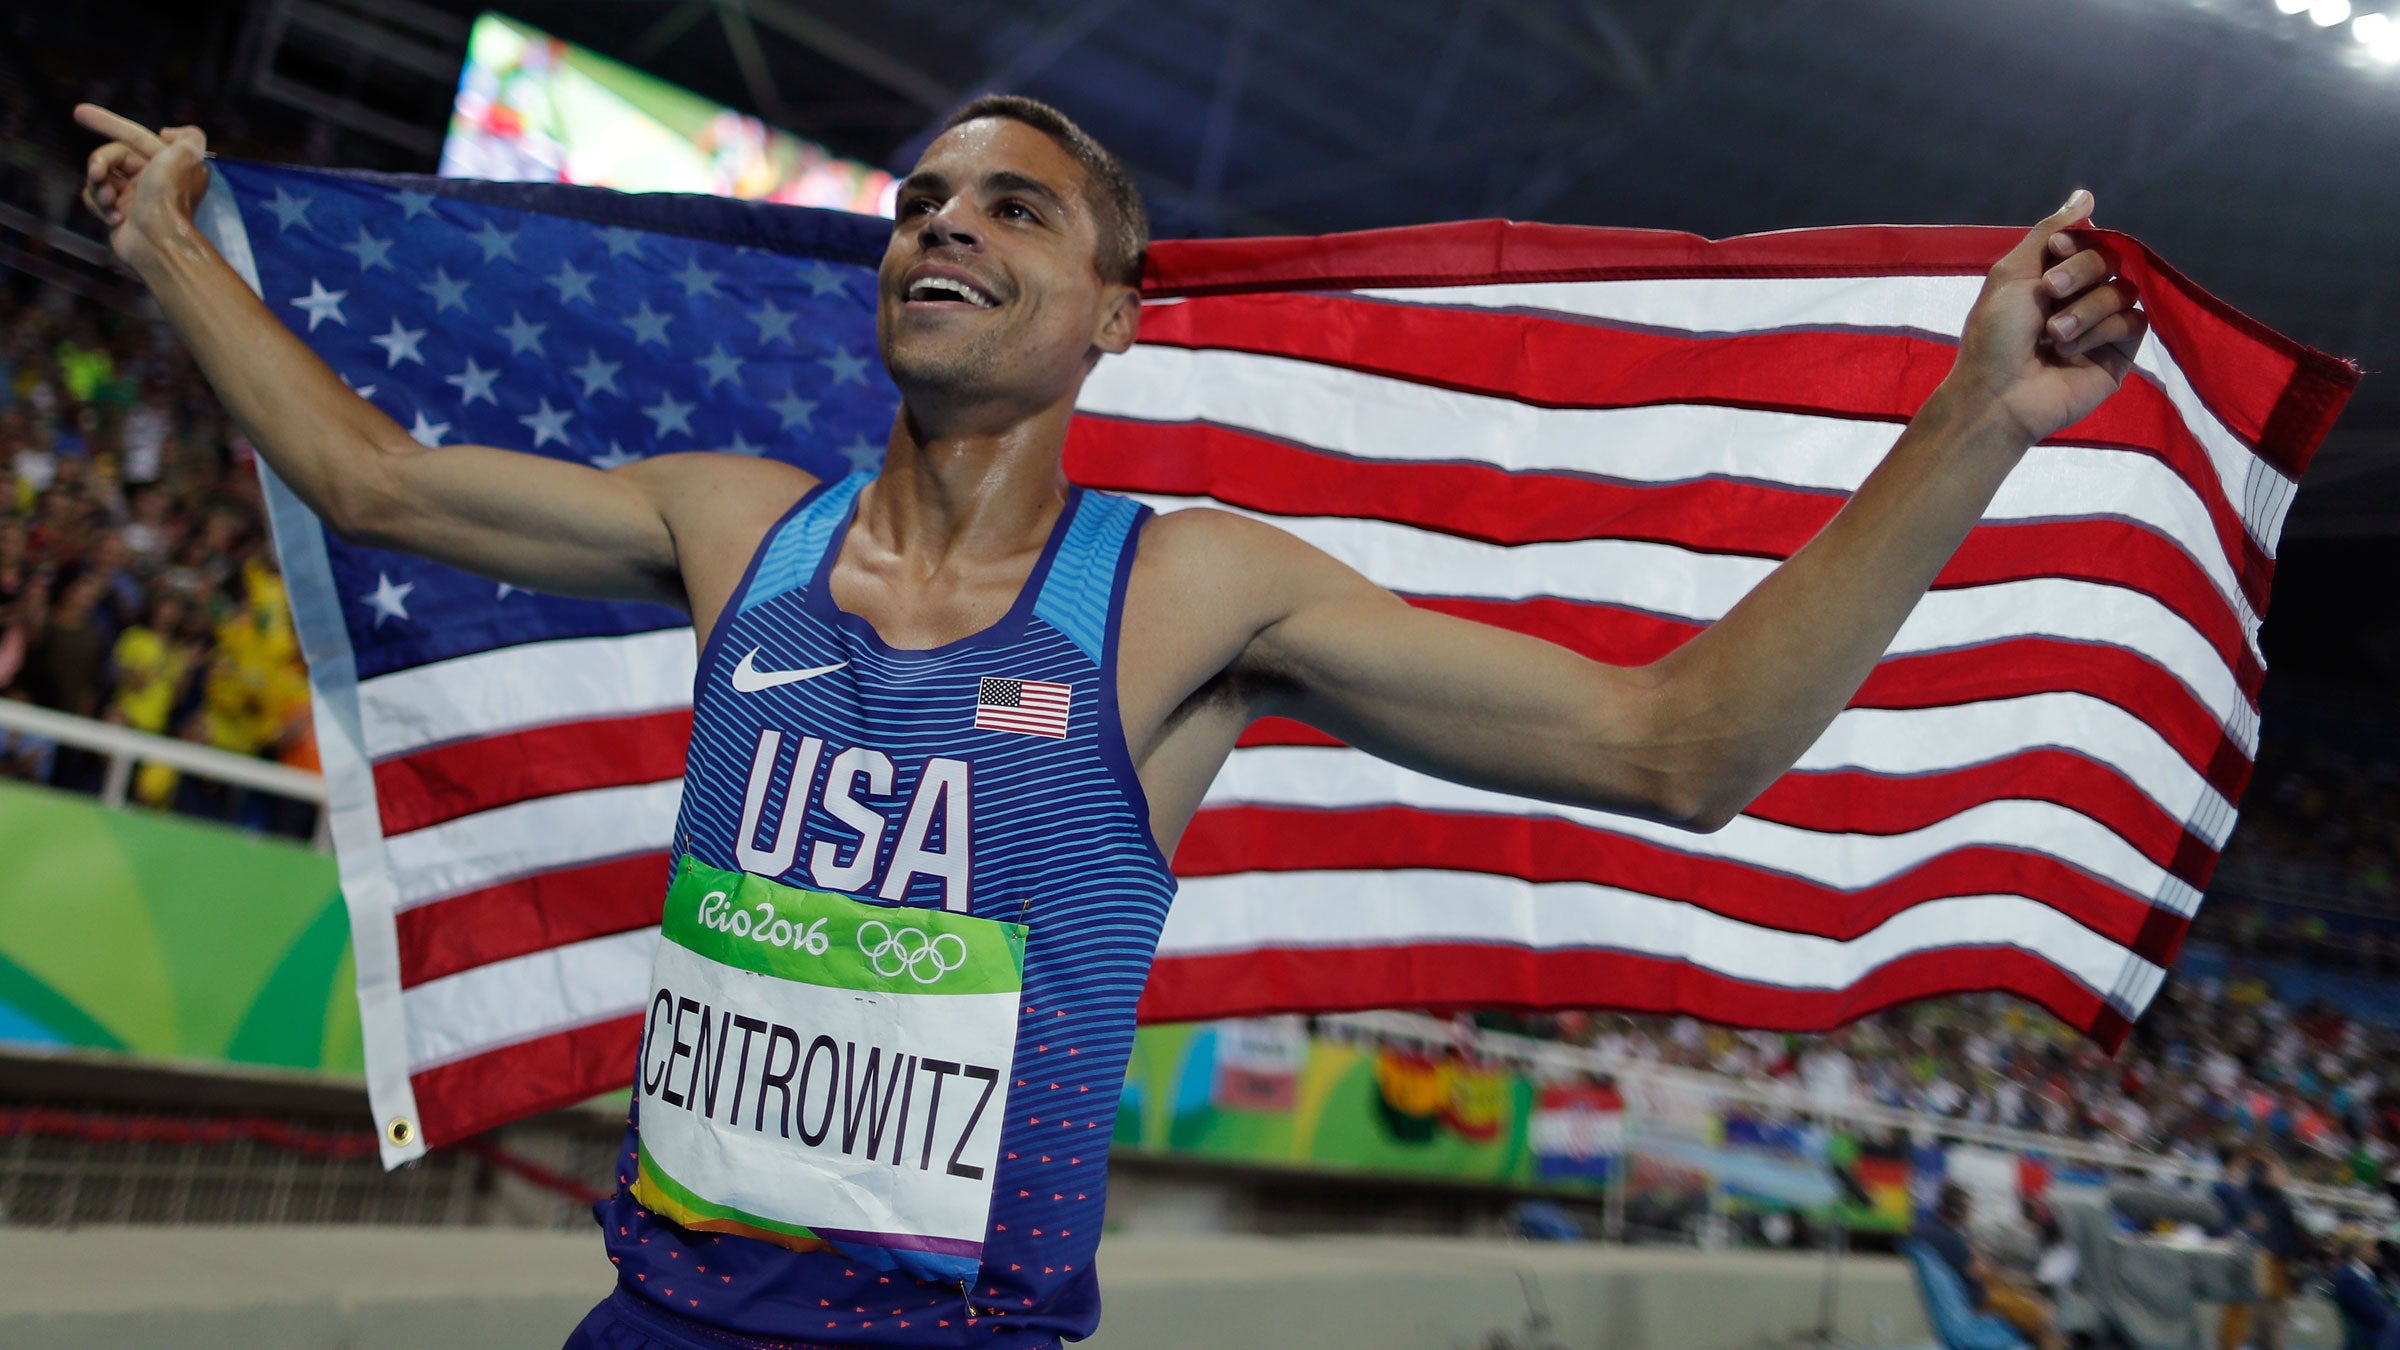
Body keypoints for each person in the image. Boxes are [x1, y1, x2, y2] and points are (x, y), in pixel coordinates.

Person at [75, 92, 2148, 1350]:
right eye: (921, 200)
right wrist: (167, 241)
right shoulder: (734, 528)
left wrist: (1979, 416)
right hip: (658, 1322)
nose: (942, 224)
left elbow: (1676, 746)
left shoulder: (1182, 597)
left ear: (1117, 315)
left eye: (1013, 208)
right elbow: (371, 481)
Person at [1916, 1182, 2065, 1350]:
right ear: (1959, 1209)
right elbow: (1983, 1273)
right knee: (2046, 1316)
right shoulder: (1949, 1239)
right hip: (1975, 1300)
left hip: (1960, 1298)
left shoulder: (1925, 1231)